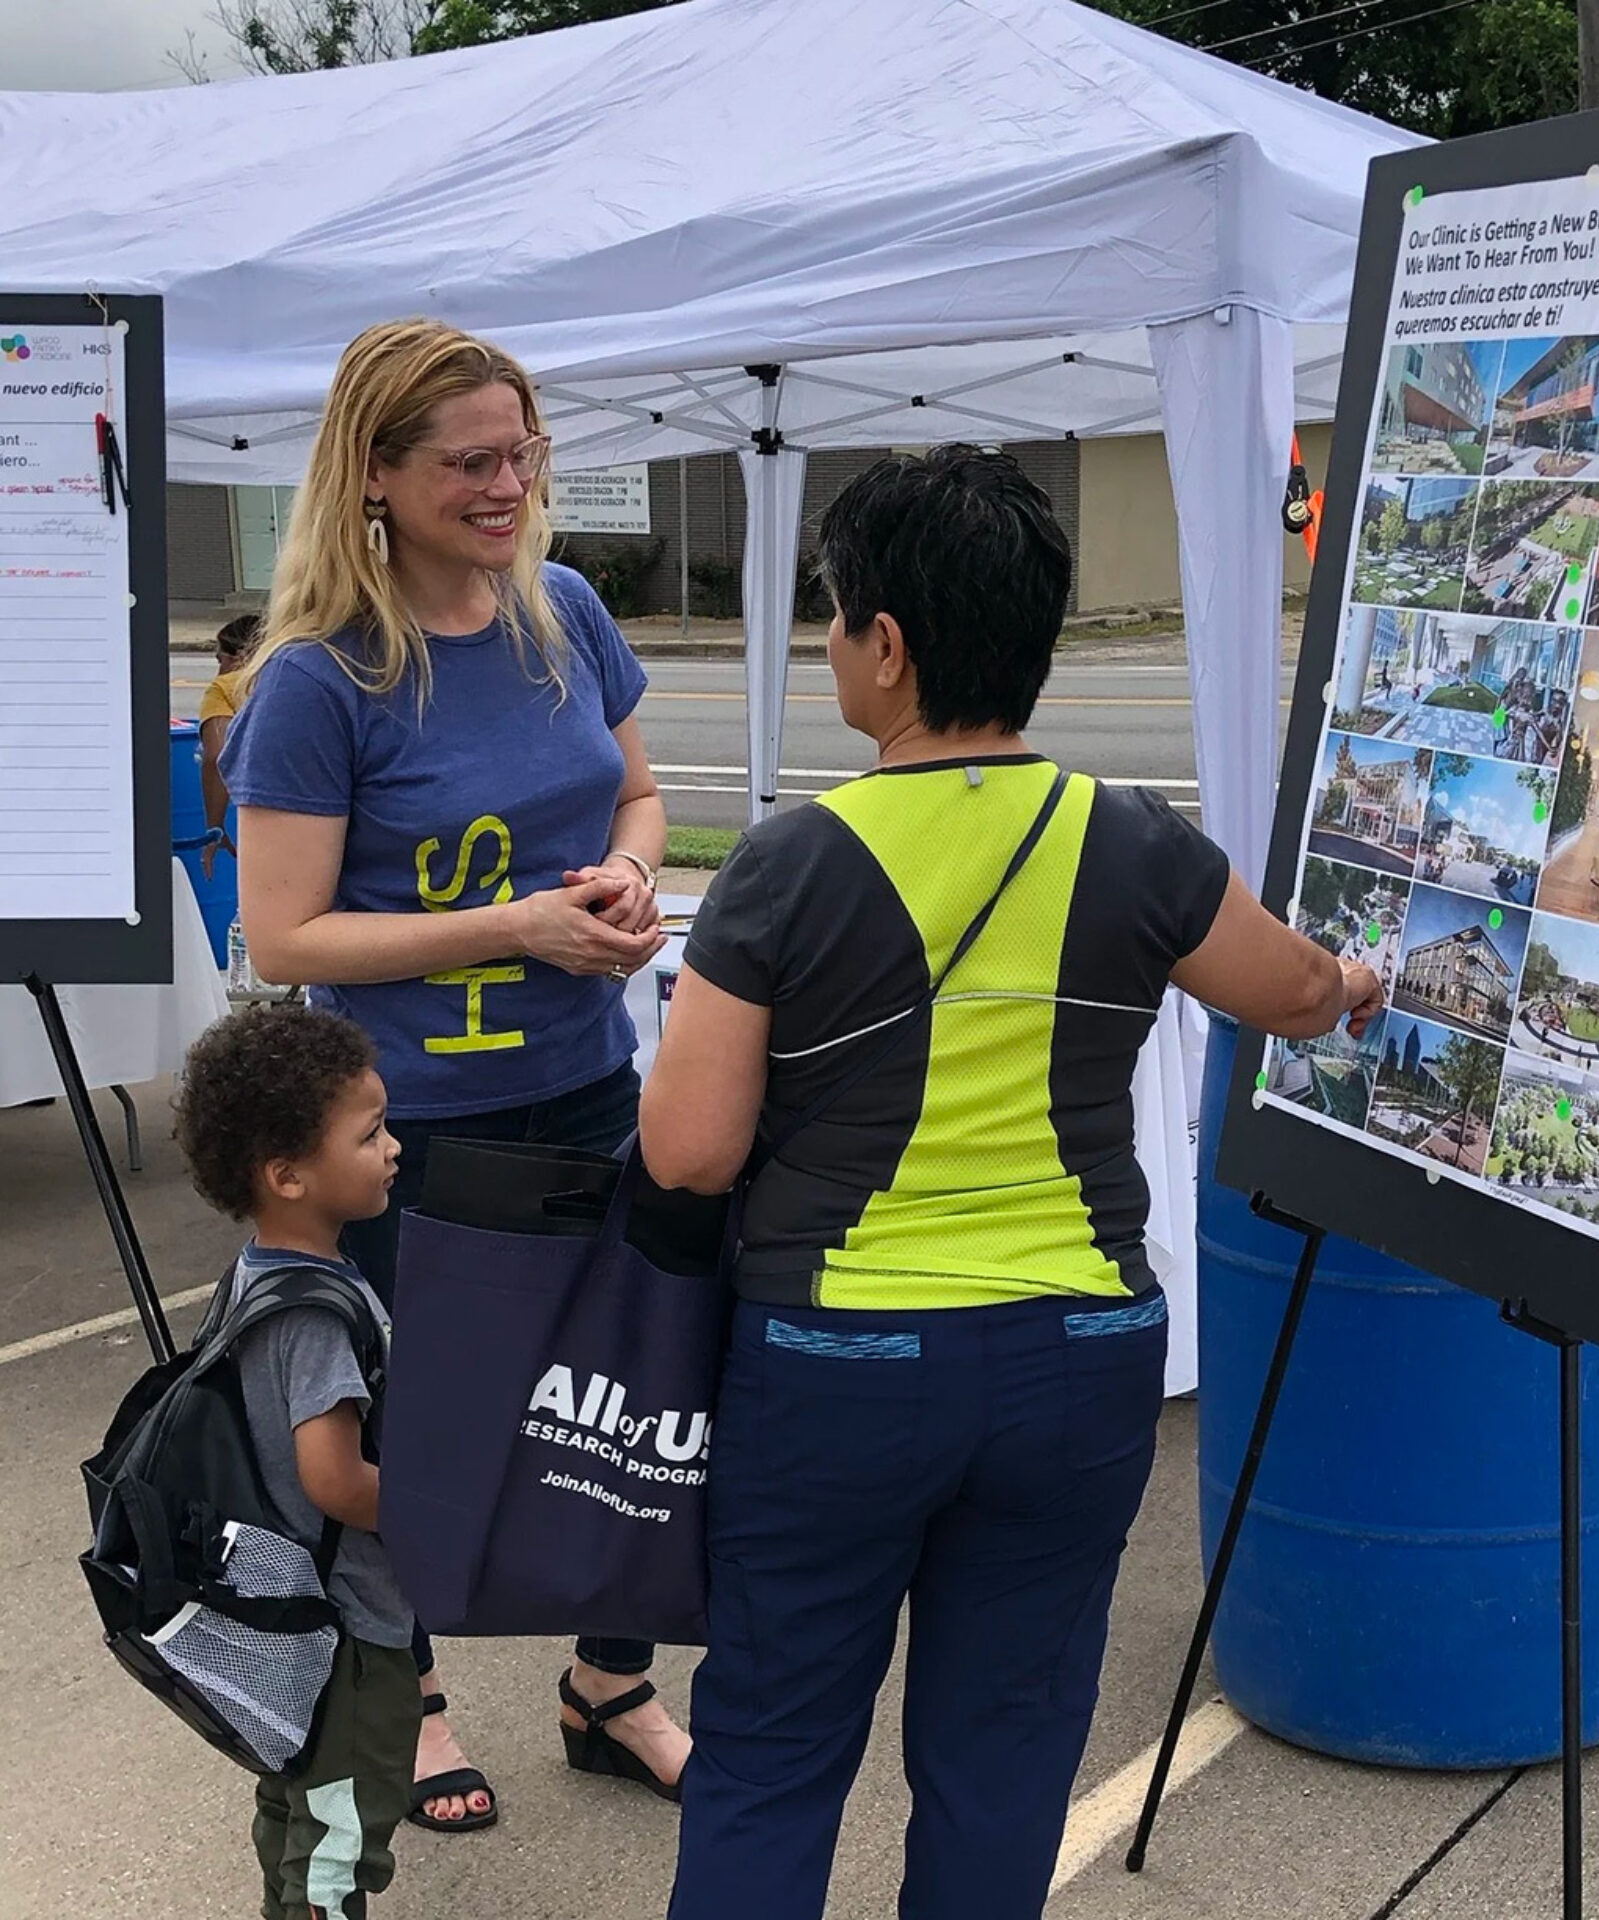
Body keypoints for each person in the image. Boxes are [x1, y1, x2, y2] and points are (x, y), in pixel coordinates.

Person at [639, 447, 1383, 1920]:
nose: (833, 642)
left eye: (837, 615)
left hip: (834, 1359)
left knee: (776, 1748)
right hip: (1079, 1357)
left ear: (891, 648)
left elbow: (688, 1151)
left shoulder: (788, 863)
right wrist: (1359, 973)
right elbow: (1293, 990)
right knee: (1002, 1754)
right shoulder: (1137, 839)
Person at [220, 318, 686, 1833]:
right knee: (424, 1425)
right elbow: (284, 932)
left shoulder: (563, 607)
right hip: (404, 1130)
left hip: (586, 1087)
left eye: (523, 451)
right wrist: (517, 926)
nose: (507, 485)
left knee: (625, 1397)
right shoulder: (318, 681)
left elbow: (637, 787)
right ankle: (407, 1695)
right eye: (469, 461)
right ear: (375, 475)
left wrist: (623, 880)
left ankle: (608, 1686)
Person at [172, 1004, 414, 1920]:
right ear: (288, 1175)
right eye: (371, 1133)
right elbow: (335, 1480)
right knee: (345, 1828)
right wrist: (440, 1509)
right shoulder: (314, 1315)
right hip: (347, 1625)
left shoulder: (257, 1271)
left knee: (295, 1794)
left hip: (293, 1612)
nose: (392, 1147)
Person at [198, 612, 262, 878]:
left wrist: (216, 827)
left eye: (219, 660)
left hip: (264, 815)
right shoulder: (299, 677)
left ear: (233, 658)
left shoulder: (225, 687)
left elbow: (217, 755)